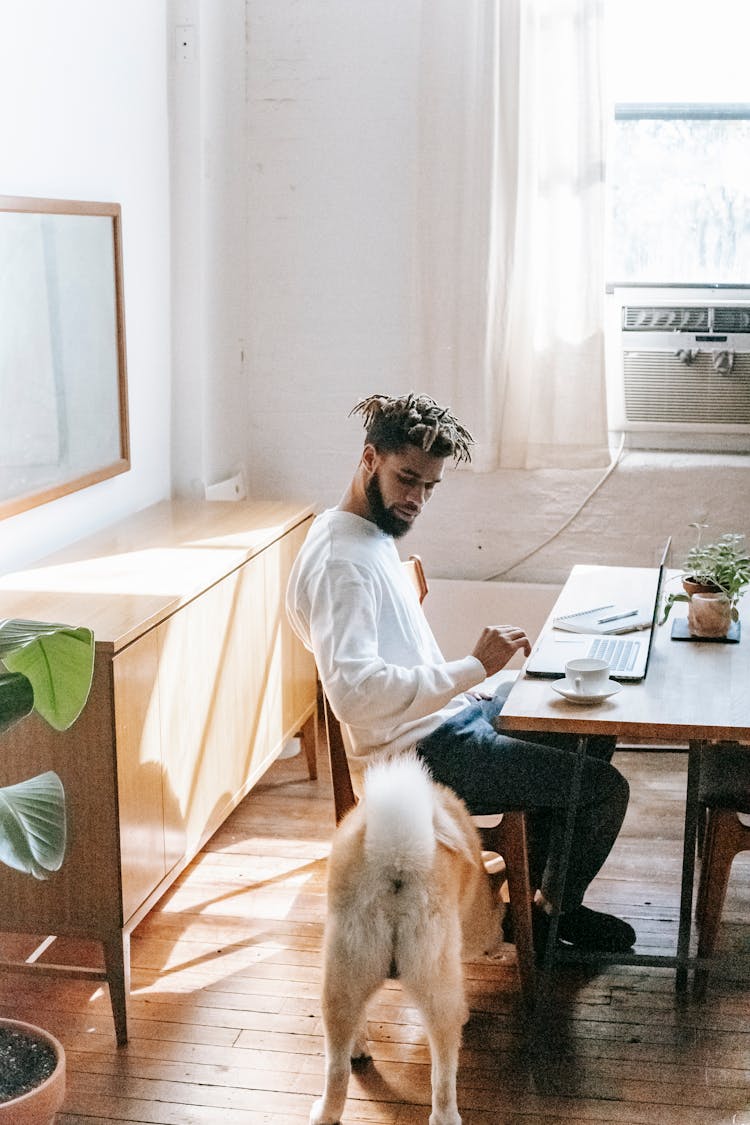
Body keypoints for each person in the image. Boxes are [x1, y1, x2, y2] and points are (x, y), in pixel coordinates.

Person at [286, 392, 635, 953]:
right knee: (603, 791)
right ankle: (545, 915)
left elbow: (402, 662)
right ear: (369, 459)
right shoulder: (340, 566)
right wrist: (474, 667)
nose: (417, 499)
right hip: (420, 754)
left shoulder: (363, 534)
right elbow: (354, 696)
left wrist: (494, 684)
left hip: (449, 722)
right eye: (407, 479)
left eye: (429, 486)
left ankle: (540, 905)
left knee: (589, 720)